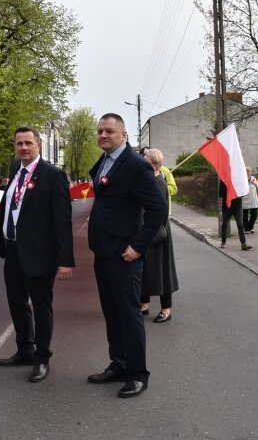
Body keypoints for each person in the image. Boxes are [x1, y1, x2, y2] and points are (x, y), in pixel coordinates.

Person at [86, 113, 166, 399]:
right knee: (112, 313)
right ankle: (118, 364)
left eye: (109, 131)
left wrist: (139, 246)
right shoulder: (105, 162)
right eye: (100, 132)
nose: (103, 135)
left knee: (129, 315)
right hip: (104, 253)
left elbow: (158, 209)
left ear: (124, 135)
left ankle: (137, 374)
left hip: (125, 256)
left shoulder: (135, 165)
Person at [0, 127, 74, 383]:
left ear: (39, 145)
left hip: (41, 254)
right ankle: (24, 350)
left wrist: (65, 260)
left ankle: (42, 358)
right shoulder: (15, 172)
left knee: (41, 307)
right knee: (16, 303)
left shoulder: (53, 175)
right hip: (14, 251)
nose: (24, 148)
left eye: (28, 143)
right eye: (19, 143)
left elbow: (62, 220)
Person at [139, 148, 179, 324]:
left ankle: (166, 309)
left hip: (157, 233)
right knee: (146, 270)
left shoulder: (158, 183)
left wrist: (148, 232)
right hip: (147, 231)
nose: (141, 159)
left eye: (144, 157)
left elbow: (158, 211)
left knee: (162, 272)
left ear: (152, 163)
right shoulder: (149, 181)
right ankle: (144, 304)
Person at [219, 180, 253, 251]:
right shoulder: (224, 179)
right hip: (227, 206)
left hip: (237, 205)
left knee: (240, 223)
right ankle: (223, 241)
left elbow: (243, 193)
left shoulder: (238, 178)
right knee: (225, 223)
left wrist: (238, 190)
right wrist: (230, 190)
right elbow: (220, 193)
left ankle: (243, 243)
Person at [242, 167, 258, 233]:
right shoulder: (242, 178)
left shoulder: (253, 179)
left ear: (251, 172)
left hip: (253, 200)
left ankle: (250, 227)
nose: (248, 172)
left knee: (254, 215)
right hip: (244, 199)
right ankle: (246, 229)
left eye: (249, 170)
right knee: (245, 215)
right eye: (247, 171)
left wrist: (255, 183)